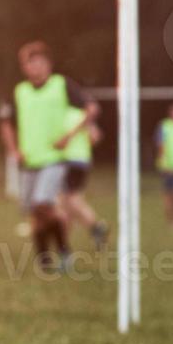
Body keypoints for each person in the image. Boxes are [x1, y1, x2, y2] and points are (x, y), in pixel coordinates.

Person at [0, 41, 99, 270]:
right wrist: (14, 150)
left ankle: (63, 253)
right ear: (24, 67)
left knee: (42, 203)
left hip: (54, 159)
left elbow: (91, 108)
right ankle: (46, 258)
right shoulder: (19, 91)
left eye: (40, 62)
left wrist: (69, 135)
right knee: (35, 212)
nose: (36, 67)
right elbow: (6, 123)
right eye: (30, 63)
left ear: (48, 64)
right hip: (29, 160)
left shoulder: (61, 85)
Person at [54, 104, 111, 251]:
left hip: (67, 161)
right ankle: (64, 247)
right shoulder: (81, 114)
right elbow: (95, 137)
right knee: (68, 204)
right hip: (82, 162)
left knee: (67, 201)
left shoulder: (59, 113)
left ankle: (96, 227)